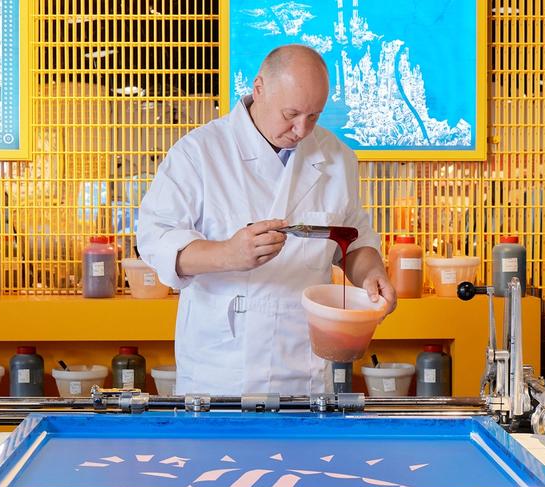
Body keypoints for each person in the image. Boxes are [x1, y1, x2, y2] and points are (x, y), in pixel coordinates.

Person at [136, 44, 396, 396]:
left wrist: (372, 274)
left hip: (304, 366)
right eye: (291, 113)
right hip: (221, 368)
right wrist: (227, 254)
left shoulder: (336, 158)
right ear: (259, 88)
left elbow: (354, 239)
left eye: (314, 116)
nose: (301, 129)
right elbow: (154, 240)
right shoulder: (199, 152)